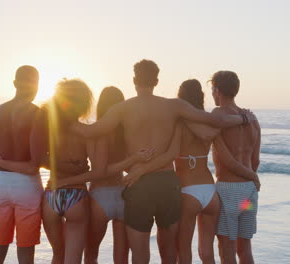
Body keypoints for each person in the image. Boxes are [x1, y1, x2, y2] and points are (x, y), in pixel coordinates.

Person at [70, 59, 255, 264]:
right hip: (169, 184)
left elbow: (91, 130)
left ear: (134, 80)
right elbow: (215, 121)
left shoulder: (123, 108)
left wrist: (60, 117)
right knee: (169, 253)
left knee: (140, 255)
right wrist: (244, 119)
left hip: (140, 186)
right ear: (157, 81)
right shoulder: (173, 106)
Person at [126, 79, 259, 264]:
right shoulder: (211, 123)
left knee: (184, 251)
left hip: (188, 192)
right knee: (207, 252)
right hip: (210, 193)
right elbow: (219, 147)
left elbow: (170, 154)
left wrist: (141, 167)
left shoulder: (180, 122)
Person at [0, 78, 108, 264]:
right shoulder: (87, 133)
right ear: (83, 103)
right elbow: (97, 172)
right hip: (77, 196)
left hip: (51, 196)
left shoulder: (49, 131)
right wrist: (74, 175)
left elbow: (39, 160)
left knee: (58, 255)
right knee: (72, 260)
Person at [56, 86, 153, 263]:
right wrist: (134, 160)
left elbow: (98, 171)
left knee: (91, 254)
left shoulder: (95, 132)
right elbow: (130, 167)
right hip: (123, 195)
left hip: (99, 197)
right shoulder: (125, 134)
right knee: (121, 257)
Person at [0, 65, 43, 264]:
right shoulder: (38, 114)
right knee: (26, 254)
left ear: (15, 83)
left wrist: (0, 184)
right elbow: (41, 159)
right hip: (27, 187)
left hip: (0, 186)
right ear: (36, 85)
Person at [210, 71, 261, 264]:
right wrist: (252, 177)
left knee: (226, 248)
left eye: (213, 90)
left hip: (228, 191)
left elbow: (228, 161)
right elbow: (255, 160)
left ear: (217, 90)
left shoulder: (218, 115)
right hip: (249, 192)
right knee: (244, 247)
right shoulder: (252, 119)